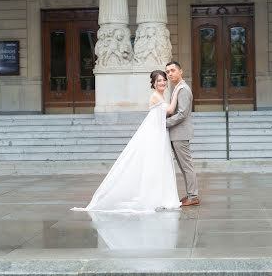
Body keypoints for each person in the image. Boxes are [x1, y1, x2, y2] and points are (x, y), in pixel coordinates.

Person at [71, 70, 184, 213]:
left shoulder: (161, 95)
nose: (162, 82)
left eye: (163, 80)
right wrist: (178, 90)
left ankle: (160, 197)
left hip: (159, 132)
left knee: (160, 164)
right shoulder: (156, 95)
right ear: (153, 84)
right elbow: (170, 110)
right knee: (153, 164)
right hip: (153, 134)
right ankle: (152, 197)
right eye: (159, 81)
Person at [165, 61, 200, 207]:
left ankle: (193, 196)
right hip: (176, 134)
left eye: (173, 70)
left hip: (180, 134)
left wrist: (163, 124)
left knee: (187, 167)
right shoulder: (177, 88)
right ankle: (190, 194)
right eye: (167, 72)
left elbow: (182, 114)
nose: (170, 74)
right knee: (184, 167)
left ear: (181, 71)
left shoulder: (183, 89)